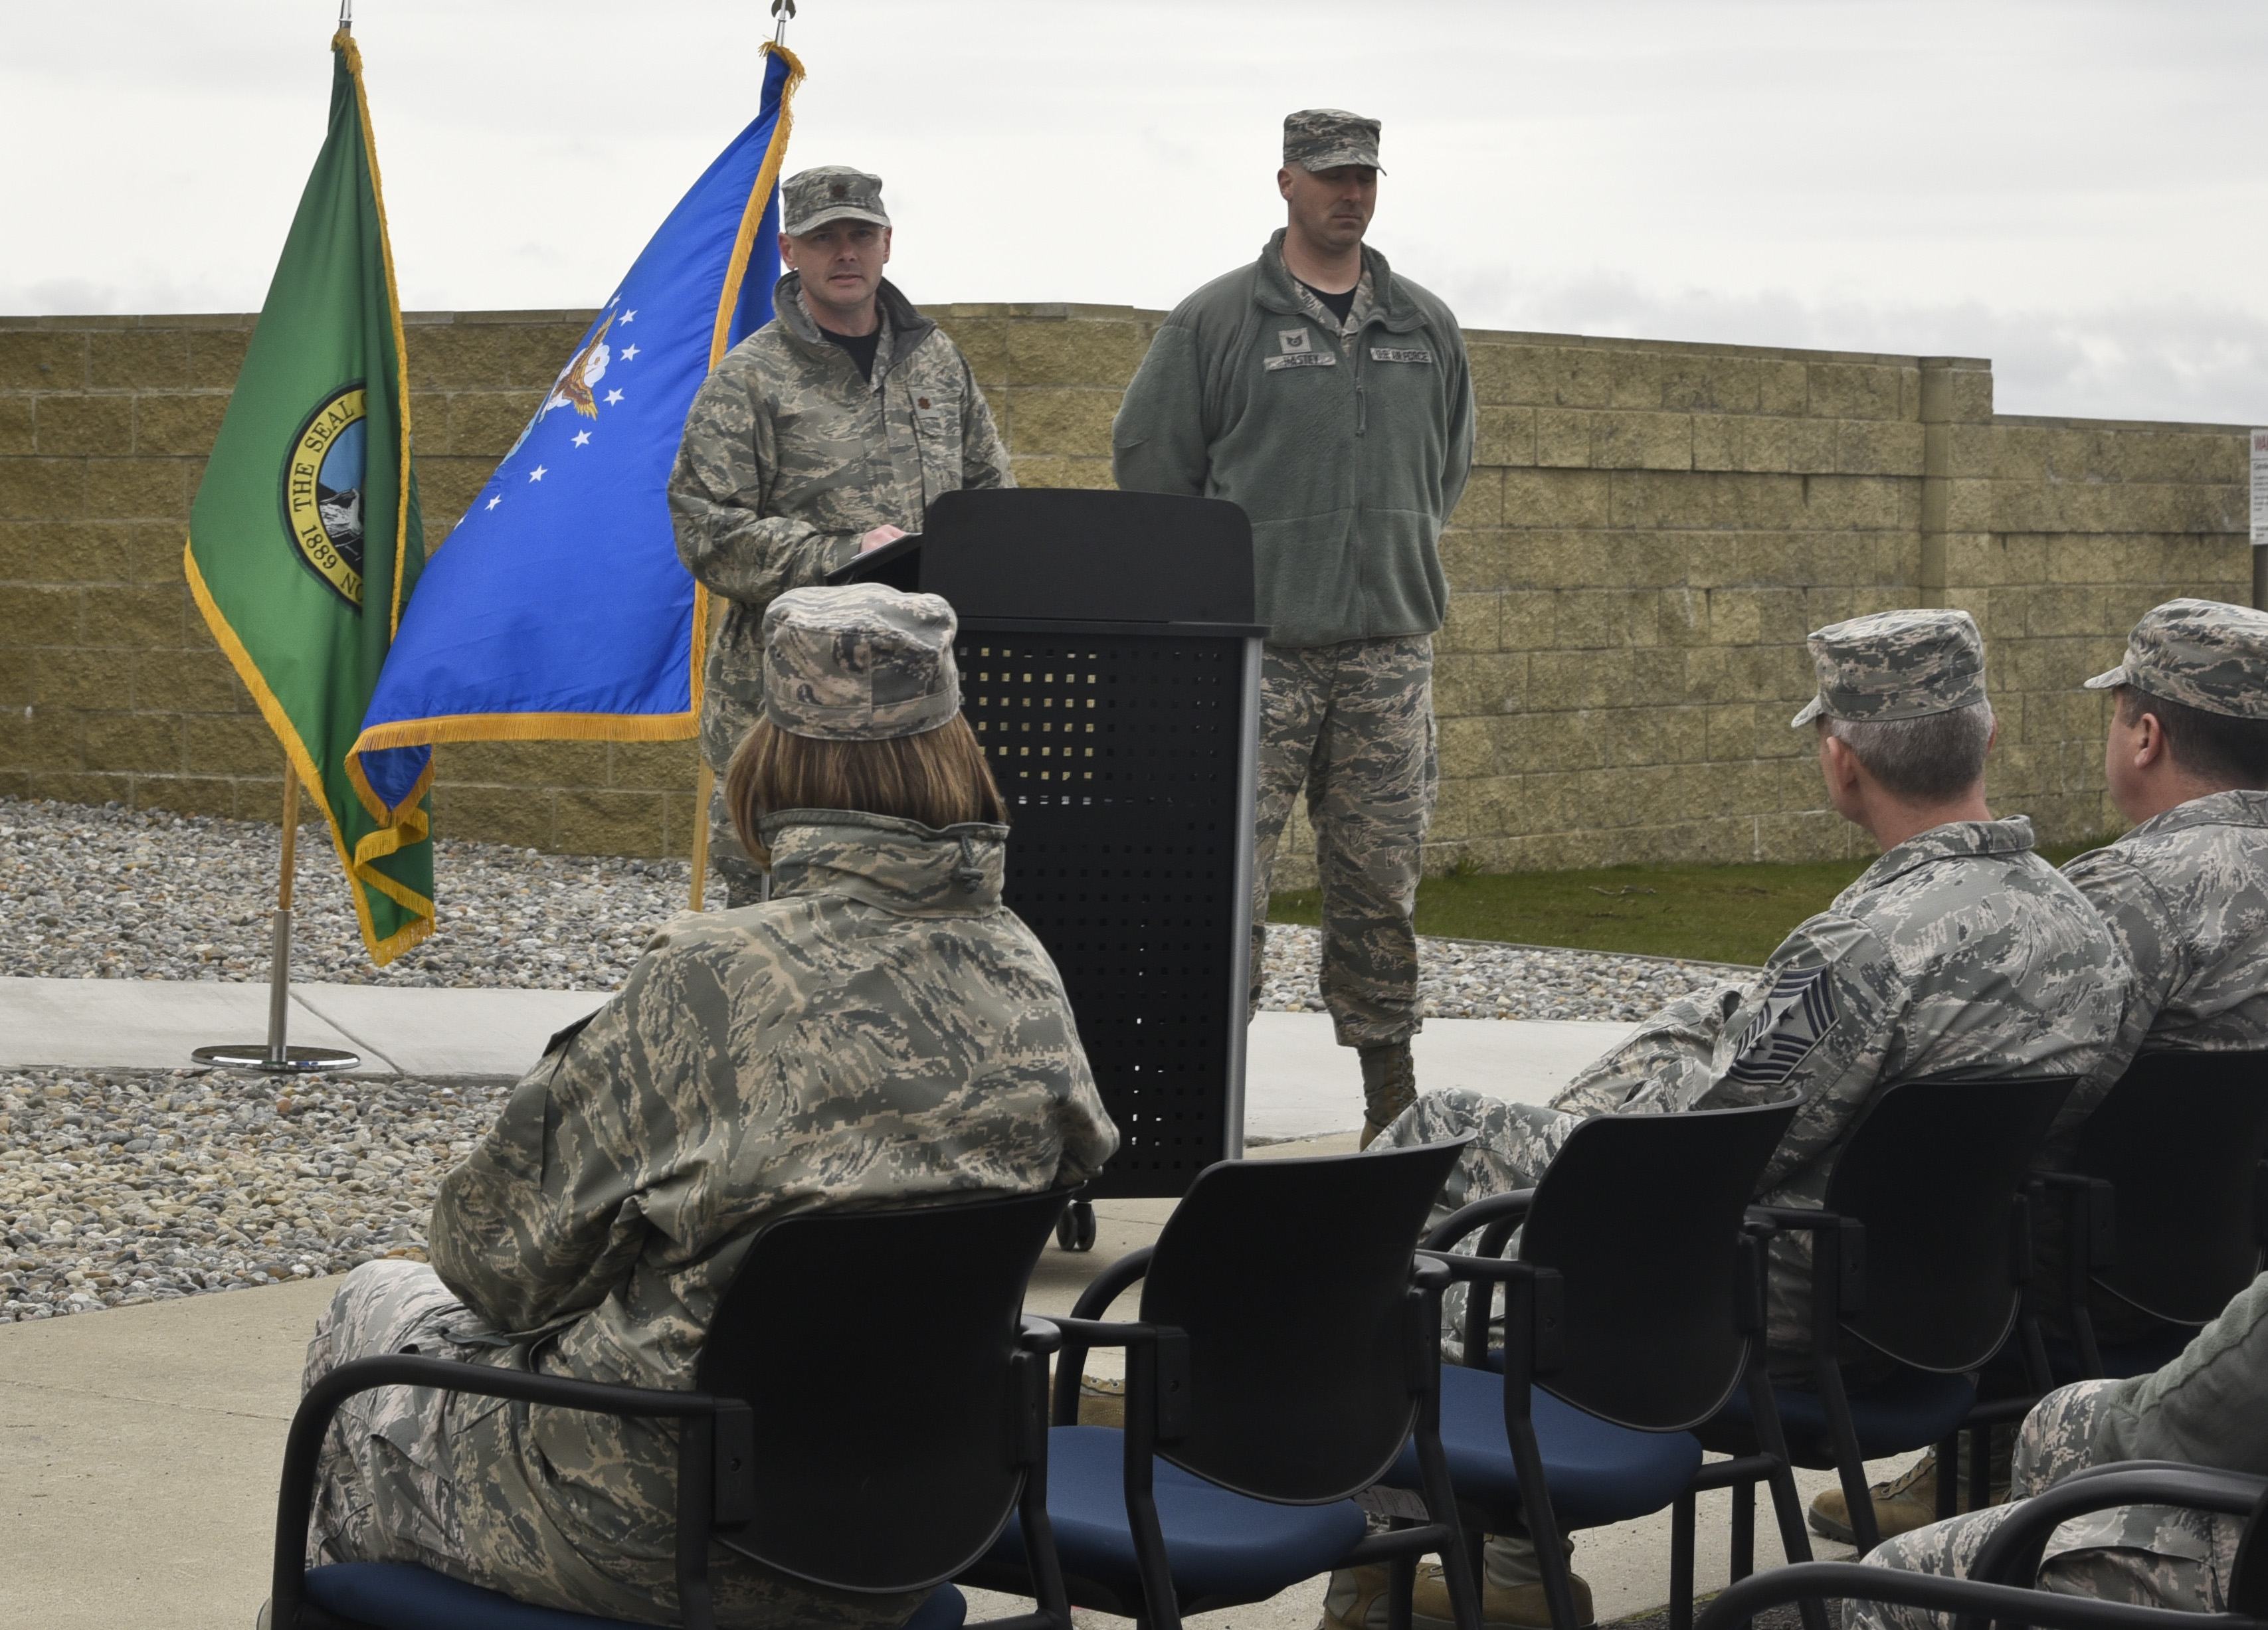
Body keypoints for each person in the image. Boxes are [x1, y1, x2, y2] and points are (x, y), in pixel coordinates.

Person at [290, 585, 1116, 1628]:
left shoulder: (710, 975)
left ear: (772, 759)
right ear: (956, 759)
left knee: (369, 1312)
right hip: (908, 1528)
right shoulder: (1024, 966)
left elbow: (492, 1261)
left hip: (658, 1526)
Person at [1325, 609, 2131, 1630]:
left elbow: (1690, 1156)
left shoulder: (1863, 946)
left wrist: (1664, 1052)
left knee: (1427, 1184)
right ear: (1991, 731)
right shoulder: (2081, 926)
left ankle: (1435, 1564)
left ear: (1841, 760)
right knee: (1491, 1156)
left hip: (1768, 1303)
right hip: (1941, 1308)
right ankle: (1468, 1557)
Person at [1814, 596, 2268, 1544]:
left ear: (2144, 735)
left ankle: (1978, 1471)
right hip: (2231, 1257)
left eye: (2115, 712)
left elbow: (2038, 1089)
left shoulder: (2132, 892)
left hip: (2078, 1270)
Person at [1112, 108, 1475, 1145]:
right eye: (1326, 175)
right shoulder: (1216, 322)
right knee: (1225, 890)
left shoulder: (1424, 326)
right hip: (1254, 658)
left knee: (1379, 888)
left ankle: (1389, 1111)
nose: (1346, 192)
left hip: (1388, 660)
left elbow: (1445, 466)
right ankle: (1200, 1108)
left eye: (1362, 174)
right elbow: (1151, 464)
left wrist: (1380, 553)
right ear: (1283, 184)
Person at [670, 165, 1014, 907]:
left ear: (889, 243)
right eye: (825, 239)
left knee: (924, 889)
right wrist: (841, 556)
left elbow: (990, 497)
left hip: (923, 697)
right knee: (778, 898)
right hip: (794, 702)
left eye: (861, 234)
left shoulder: (937, 362)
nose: (846, 253)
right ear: (791, 252)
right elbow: (706, 529)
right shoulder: (749, 379)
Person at [1845, 1269, 2268, 1630]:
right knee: (2051, 1420)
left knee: (1878, 1581)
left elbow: (2185, 1421)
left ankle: (2023, 1560)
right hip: (2170, 1297)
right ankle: (1971, 1494)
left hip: (2247, 1555)